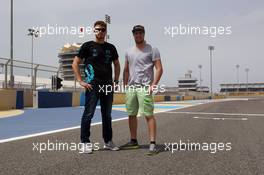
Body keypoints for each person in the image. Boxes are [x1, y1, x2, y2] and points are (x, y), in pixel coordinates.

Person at [72, 20, 121, 154]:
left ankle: (108, 141)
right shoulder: (87, 46)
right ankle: (85, 142)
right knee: (89, 113)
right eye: (97, 29)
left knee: (107, 115)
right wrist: (80, 81)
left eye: (102, 30)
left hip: (107, 86)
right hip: (92, 85)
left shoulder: (111, 48)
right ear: (94, 31)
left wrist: (116, 81)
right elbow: (75, 63)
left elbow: (117, 65)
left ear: (106, 32)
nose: (100, 32)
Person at [122, 25, 163, 155]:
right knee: (131, 114)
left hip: (145, 87)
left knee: (148, 115)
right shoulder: (128, 51)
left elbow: (159, 68)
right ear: (133, 35)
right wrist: (125, 85)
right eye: (136, 33)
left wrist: (154, 84)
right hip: (131, 87)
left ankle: (152, 144)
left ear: (144, 34)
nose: (138, 35)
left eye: (140, 33)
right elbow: (126, 69)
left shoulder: (152, 49)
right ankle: (133, 141)